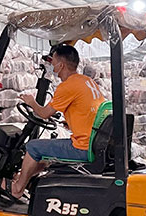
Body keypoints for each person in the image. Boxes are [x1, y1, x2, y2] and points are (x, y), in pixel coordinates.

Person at [10, 43, 105, 199]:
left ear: (61, 65)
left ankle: (17, 189)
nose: (52, 65)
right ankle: (23, 178)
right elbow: (88, 108)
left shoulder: (67, 86)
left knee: (33, 147)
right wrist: (69, 121)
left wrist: (31, 102)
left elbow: (44, 113)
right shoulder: (87, 81)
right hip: (92, 142)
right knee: (47, 153)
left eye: (53, 62)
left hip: (82, 146)